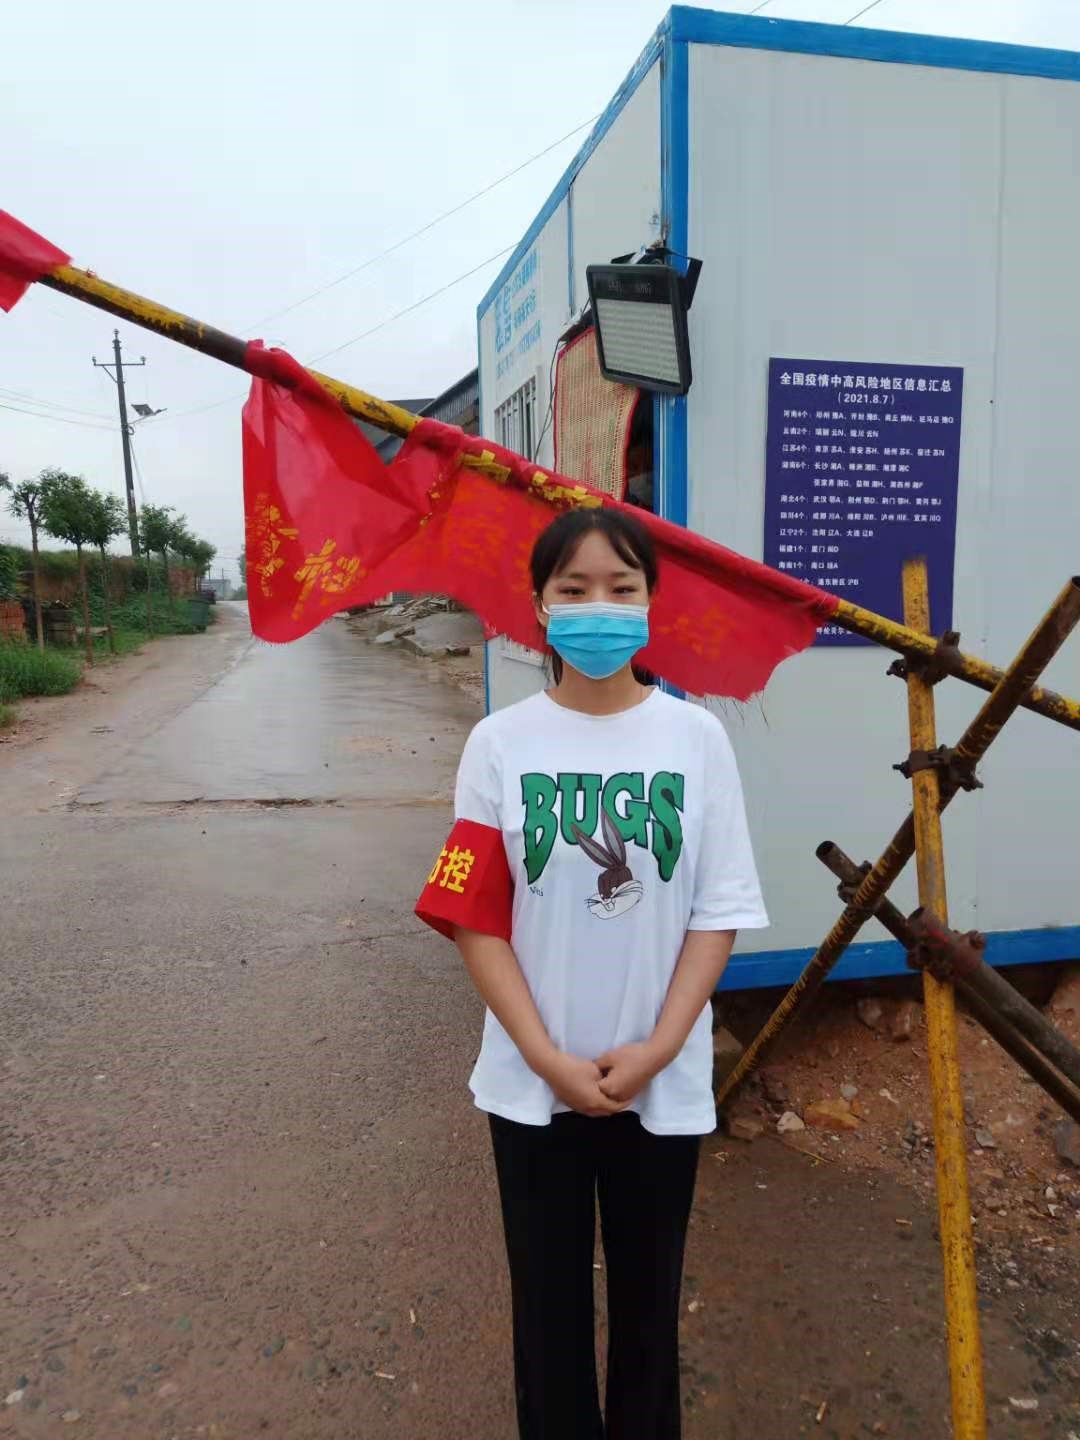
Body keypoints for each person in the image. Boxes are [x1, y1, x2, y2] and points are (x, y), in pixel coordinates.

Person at [450, 507, 768, 1440]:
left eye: (620, 588)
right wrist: (545, 1058)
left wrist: (662, 1048)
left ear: (650, 601)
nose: (599, 606)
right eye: (575, 588)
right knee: (546, 1310)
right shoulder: (498, 744)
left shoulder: (696, 740)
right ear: (540, 606)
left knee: (649, 1308)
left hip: (657, 1083)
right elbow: (474, 917)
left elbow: (718, 908)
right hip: (530, 1085)